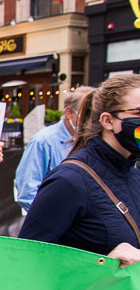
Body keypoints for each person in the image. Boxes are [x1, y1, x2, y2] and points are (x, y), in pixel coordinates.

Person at [20, 75, 140, 267]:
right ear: (107, 121)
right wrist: (102, 263)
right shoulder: (68, 181)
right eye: (138, 112)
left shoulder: (134, 173)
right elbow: (28, 261)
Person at [15, 87, 91, 212]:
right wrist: (56, 219)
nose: (91, 120)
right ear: (69, 112)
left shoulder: (90, 140)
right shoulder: (43, 142)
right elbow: (28, 193)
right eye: (87, 113)